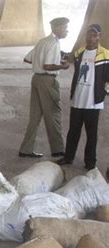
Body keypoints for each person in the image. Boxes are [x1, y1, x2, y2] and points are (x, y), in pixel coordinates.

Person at [57, 24, 109, 170]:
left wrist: (103, 92)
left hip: (93, 102)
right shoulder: (79, 52)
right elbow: (68, 62)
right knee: (73, 131)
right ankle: (68, 157)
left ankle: (90, 162)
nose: (91, 37)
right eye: (89, 34)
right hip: (78, 99)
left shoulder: (105, 55)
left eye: (94, 35)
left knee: (91, 134)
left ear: (99, 37)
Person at [18, 17, 70, 158]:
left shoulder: (42, 41)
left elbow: (28, 58)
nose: (67, 31)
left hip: (36, 79)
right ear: (56, 28)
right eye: (65, 28)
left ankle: (26, 149)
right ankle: (58, 150)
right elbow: (48, 66)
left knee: (35, 116)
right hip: (47, 80)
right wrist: (62, 66)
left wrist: (43, 62)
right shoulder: (54, 43)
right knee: (53, 114)